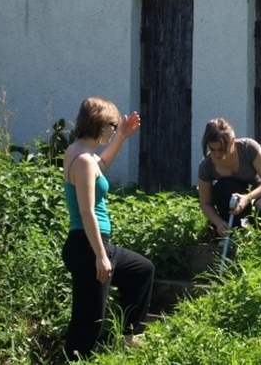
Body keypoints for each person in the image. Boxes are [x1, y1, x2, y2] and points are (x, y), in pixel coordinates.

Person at [61, 97, 153, 359]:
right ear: (100, 125)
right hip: (88, 246)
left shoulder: (80, 153)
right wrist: (101, 255)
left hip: (93, 242)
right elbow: (86, 211)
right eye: (113, 125)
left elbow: (101, 167)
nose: (114, 129)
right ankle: (76, 360)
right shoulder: (83, 160)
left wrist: (122, 137)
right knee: (88, 321)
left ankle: (129, 336)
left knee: (141, 270)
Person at [197, 118, 261, 234]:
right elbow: (205, 203)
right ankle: (231, 229)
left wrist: (248, 198)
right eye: (212, 149)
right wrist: (218, 221)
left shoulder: (249, 148)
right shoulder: (206, 165)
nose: (218, 154)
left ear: (232, 141)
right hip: (236, 197)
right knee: (222, 187)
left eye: (222, 149)